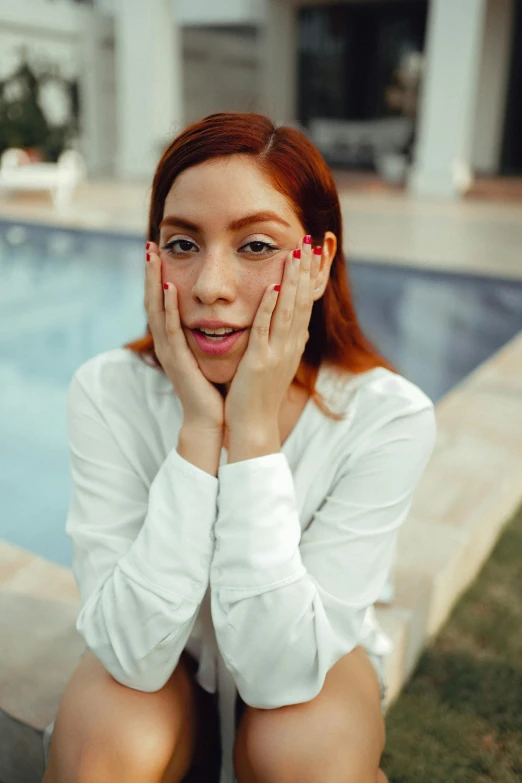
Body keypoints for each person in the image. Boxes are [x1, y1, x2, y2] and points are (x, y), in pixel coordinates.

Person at [42, 112, 436, 783]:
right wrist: (200, 430)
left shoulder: (386, 417)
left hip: (311, 660)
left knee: (308, 754)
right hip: (168, 659)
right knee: (103, 748)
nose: (208, 287)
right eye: (182, 243)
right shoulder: (108, 393)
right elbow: (131, 652)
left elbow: (284, 672)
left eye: (255, 245)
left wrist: (251, 434)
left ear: (319, 259)